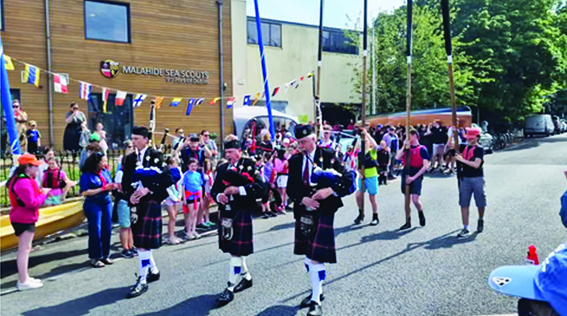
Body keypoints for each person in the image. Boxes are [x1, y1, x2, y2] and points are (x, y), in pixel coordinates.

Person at [287, 124, 354, 316]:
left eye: (304, 142)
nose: (301, 146)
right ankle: (318, 289)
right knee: (309, 254)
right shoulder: (295, 160)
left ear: (314, 138)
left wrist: (330, 191)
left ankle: (315, 299)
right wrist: (301, 199)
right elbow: (291, 188)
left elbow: (349, 179)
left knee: (315, 256)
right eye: (298, 142)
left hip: (324, 211)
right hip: (303, 212)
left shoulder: (328, 155)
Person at [121, 126, 180, 298]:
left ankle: (142, 279)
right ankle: (153, 271)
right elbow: (125, 180)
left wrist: (148, 189)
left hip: (150, 201)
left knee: (142, 244)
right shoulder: (130, 158)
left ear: (146, 139)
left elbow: (166, 177)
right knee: (140, 240)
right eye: (133, 138)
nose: (134, 141)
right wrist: (129, 196)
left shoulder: (155, 155)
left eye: (137, 138)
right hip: (136, 203)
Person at [211, 137, 264, 306]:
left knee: (235, 251)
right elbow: (214, 190)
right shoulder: (222, 168)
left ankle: (230, 287)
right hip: (226, 214)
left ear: (239, 152)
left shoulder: (249, 165)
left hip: (241, 212)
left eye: (231, 152)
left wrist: (238, 190)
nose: (228, 155)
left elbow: (261, 188)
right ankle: (247, 278)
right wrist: (218, 196)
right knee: (235, 251)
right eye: (226, 152)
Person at [8, 154, 50, 291]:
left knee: (24, 248)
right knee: (24, 249)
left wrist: (41, 193)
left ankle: (24, 277)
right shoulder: (23, 182)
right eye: (35, 166)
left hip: (21, 216)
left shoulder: (20, 179)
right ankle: (23, 280)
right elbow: (31, 203)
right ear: (27, 167)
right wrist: (44, 195)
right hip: (24, 218)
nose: (38, 168)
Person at [80, 152, 116, 268]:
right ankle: (95, 256)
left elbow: (109, 183)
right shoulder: (87, 175)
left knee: (107, 228)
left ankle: (105, 254)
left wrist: (113, 187)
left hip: (106, 201)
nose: (105, 163)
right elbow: (85, 192)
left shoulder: (104, 172)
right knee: (96, 228)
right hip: (93, 202)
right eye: (103, 161)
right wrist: (102, 189)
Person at [454, 127, 487, 238]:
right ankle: (465, 227)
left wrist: (461, 160)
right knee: (464, 203)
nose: (469, 140)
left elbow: (476, 165)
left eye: (471, 138)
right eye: (468, 138)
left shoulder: (479, 149)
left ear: (477, 137)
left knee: (480, 200)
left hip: (477, 177)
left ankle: (480, 219)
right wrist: (453, 130)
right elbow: (451, 145)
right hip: (464, 178)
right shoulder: (464, 147)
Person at [396, 129, 430, 230]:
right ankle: (407, 220)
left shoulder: (422, 149)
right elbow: (397, 157)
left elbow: (425, 166)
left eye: (409, 136)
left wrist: (414, 178)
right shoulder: (407, 148)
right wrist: (404, 146)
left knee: (415, 199)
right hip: (406, 172)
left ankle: (420, 212)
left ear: (414, 136)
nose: (407, 138)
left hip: (416, 174)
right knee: (406, 200)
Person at [114, 141, 136, 258]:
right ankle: (125, 248)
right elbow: (119, 188)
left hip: (130, 201)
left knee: (130, 225)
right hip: (123, 200)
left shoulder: (132, 174)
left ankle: (131, 246)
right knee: (125, 226)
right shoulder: (121, 173)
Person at [354, 129, 380, 226]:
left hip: (371, 176)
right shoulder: (360, 154)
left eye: (366, 142)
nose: (364, 143)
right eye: (363, 142)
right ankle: (361, 213)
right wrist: (359, 173)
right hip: (362, 177)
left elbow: (375, 145)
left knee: (372, 197)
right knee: (358, 195)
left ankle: (375, 216)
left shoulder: (372, 152)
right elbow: (357, 166)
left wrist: (367, 134)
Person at [181, 158, 204, 240]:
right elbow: (183, 187)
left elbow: (200, 186)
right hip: (189, 196)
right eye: (192, 166)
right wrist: (184, 198)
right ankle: (188, 231)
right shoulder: (186, 175)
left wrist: (201, 198)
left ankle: (193, 230)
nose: (193, 167)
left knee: (195, 214)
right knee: (190, 214)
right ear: (188, 166)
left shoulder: (198, 174)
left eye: (195, 166)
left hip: (197, 196)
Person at [163, 157, 183, 245]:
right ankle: (170, 236)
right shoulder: (166, 173)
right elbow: (167, 187)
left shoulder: (178, 172)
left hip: (177, 195)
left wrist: (179, 196)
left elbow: (180, 184)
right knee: (172, 217)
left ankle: (172, 234)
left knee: (174, 216)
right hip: (169, 198)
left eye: (176, 164)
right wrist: (173, 197)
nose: (175, 166)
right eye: (173, 164)